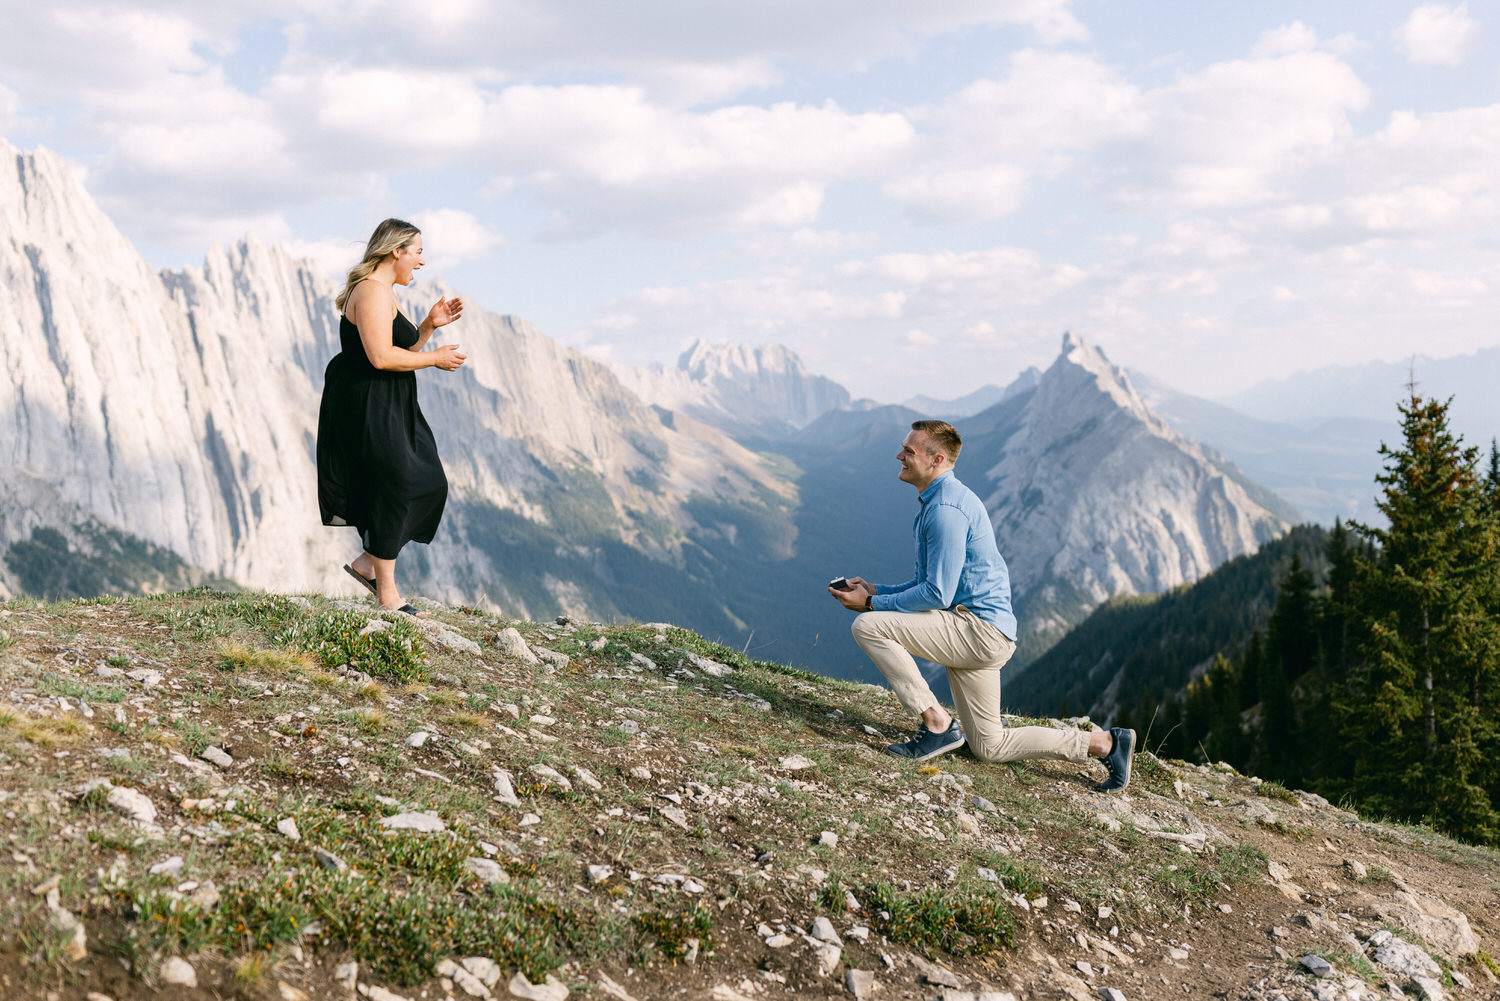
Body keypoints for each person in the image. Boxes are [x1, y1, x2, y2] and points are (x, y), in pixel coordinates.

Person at [829, 419, 1135, 792]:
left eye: (909, 451)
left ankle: (936, 724)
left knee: (868, 626)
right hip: (983, 631)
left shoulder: (945, 510)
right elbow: (930, 584)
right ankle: (1106, 744)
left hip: (976, 631)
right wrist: (877, 589)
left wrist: (873, 603)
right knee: (990, 746)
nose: (900, 455)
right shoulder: (943, 501)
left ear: (937, 458)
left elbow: (937, 595)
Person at [317, 218, 467, 615]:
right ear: (396, 250)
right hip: (367, 402)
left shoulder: (384, 292)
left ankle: (368, 564)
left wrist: (429, 326)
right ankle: (387, 595)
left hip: (390, 400)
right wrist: (434, 360)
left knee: (426, 481)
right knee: (394, 483)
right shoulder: (369, 292)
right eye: (417, 251)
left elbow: (403, 347)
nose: (421, 261)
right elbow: (380, 357)